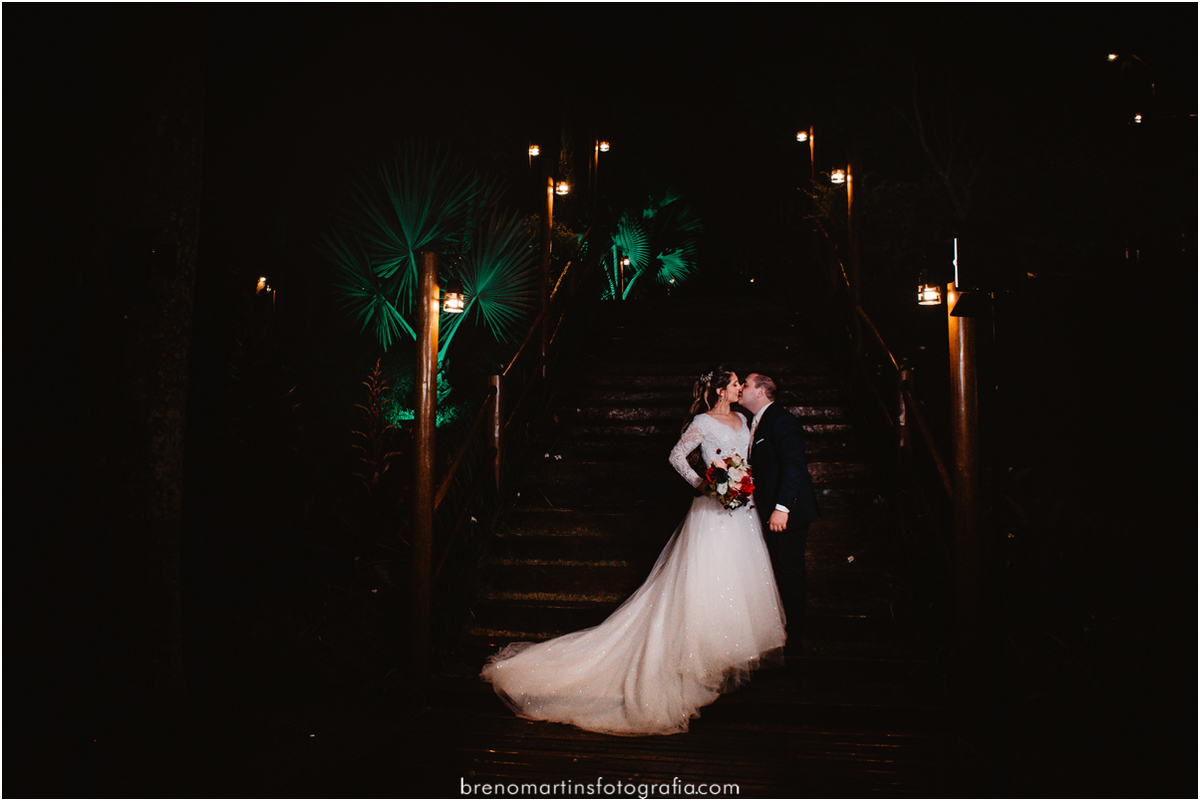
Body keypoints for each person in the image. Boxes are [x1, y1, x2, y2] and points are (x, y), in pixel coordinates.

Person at [481, 367, 785, 736]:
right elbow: (677, 456)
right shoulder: (703, 422)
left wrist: (742, 485)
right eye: (735, 383)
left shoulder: (744, 419)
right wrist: (704, 484)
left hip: (742, 513)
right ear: (721, 389)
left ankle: (722, 657)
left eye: (740, 384)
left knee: (736, 579)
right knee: (705, 580)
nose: (739, 388)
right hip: (711, 512)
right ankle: (696, 658)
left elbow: (747, 459)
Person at [738, 373, 820, 640]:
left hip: (787, 512)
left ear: (760, 392)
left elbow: (794, 466)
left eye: (746, 385)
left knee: (789, 571)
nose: (740, 389)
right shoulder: (755, 421)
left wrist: (782, 508)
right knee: (776, 569)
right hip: (764, 508)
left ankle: (794, 634)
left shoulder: (782, 420)